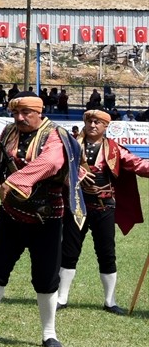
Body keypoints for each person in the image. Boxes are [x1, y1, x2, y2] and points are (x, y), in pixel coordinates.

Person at [0, 94, 82, 347]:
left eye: (25, 112)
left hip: (47, 218)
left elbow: (50, 163)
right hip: (11, 214)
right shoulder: (8, 132)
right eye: (16, 113)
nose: (19, 118)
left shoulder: (55, 135)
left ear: (39, 111)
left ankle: (49, 333)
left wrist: (16, 181)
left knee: (46, 277)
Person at [56, 109, 149, 314]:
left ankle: (110, 301)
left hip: (104, 207)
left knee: (107, 254)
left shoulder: (115, 150)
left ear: (106, 126)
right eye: (89, 121)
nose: (93, 125)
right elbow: (56, 167)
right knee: (69, 252)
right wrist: (71, 178)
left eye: (98, 122)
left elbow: (139, 164)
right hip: (77, 206)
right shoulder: (70, 146)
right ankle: (61, 298)